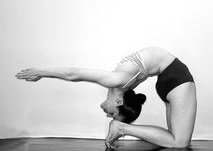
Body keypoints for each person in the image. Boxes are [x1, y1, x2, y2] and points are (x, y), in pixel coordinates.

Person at [15, 47, 197, 149]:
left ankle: (122, 127)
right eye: (112, 114)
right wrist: (40, 72)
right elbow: (73, 73)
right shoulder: (119, 80)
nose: (107, 114)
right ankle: (122, 127)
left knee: (175, 140)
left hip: (168, 79)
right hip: (175, 77)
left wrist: (41, 72)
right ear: (119, 102)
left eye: (111, 116)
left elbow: (74, 74)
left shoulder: (119, 81)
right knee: (179, 142)